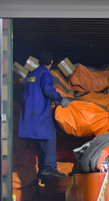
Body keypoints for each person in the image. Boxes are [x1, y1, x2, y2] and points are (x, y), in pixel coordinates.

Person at [18, 51, 70, 182]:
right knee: (50, 137)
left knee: (41, 141)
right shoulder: (45, 73)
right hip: (39, 112)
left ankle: (42, 169)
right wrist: (60, 99)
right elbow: (47, 89)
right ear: (51, 62)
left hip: (28, 115)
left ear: (39, 61)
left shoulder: (32, 74)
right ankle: (50, 168)